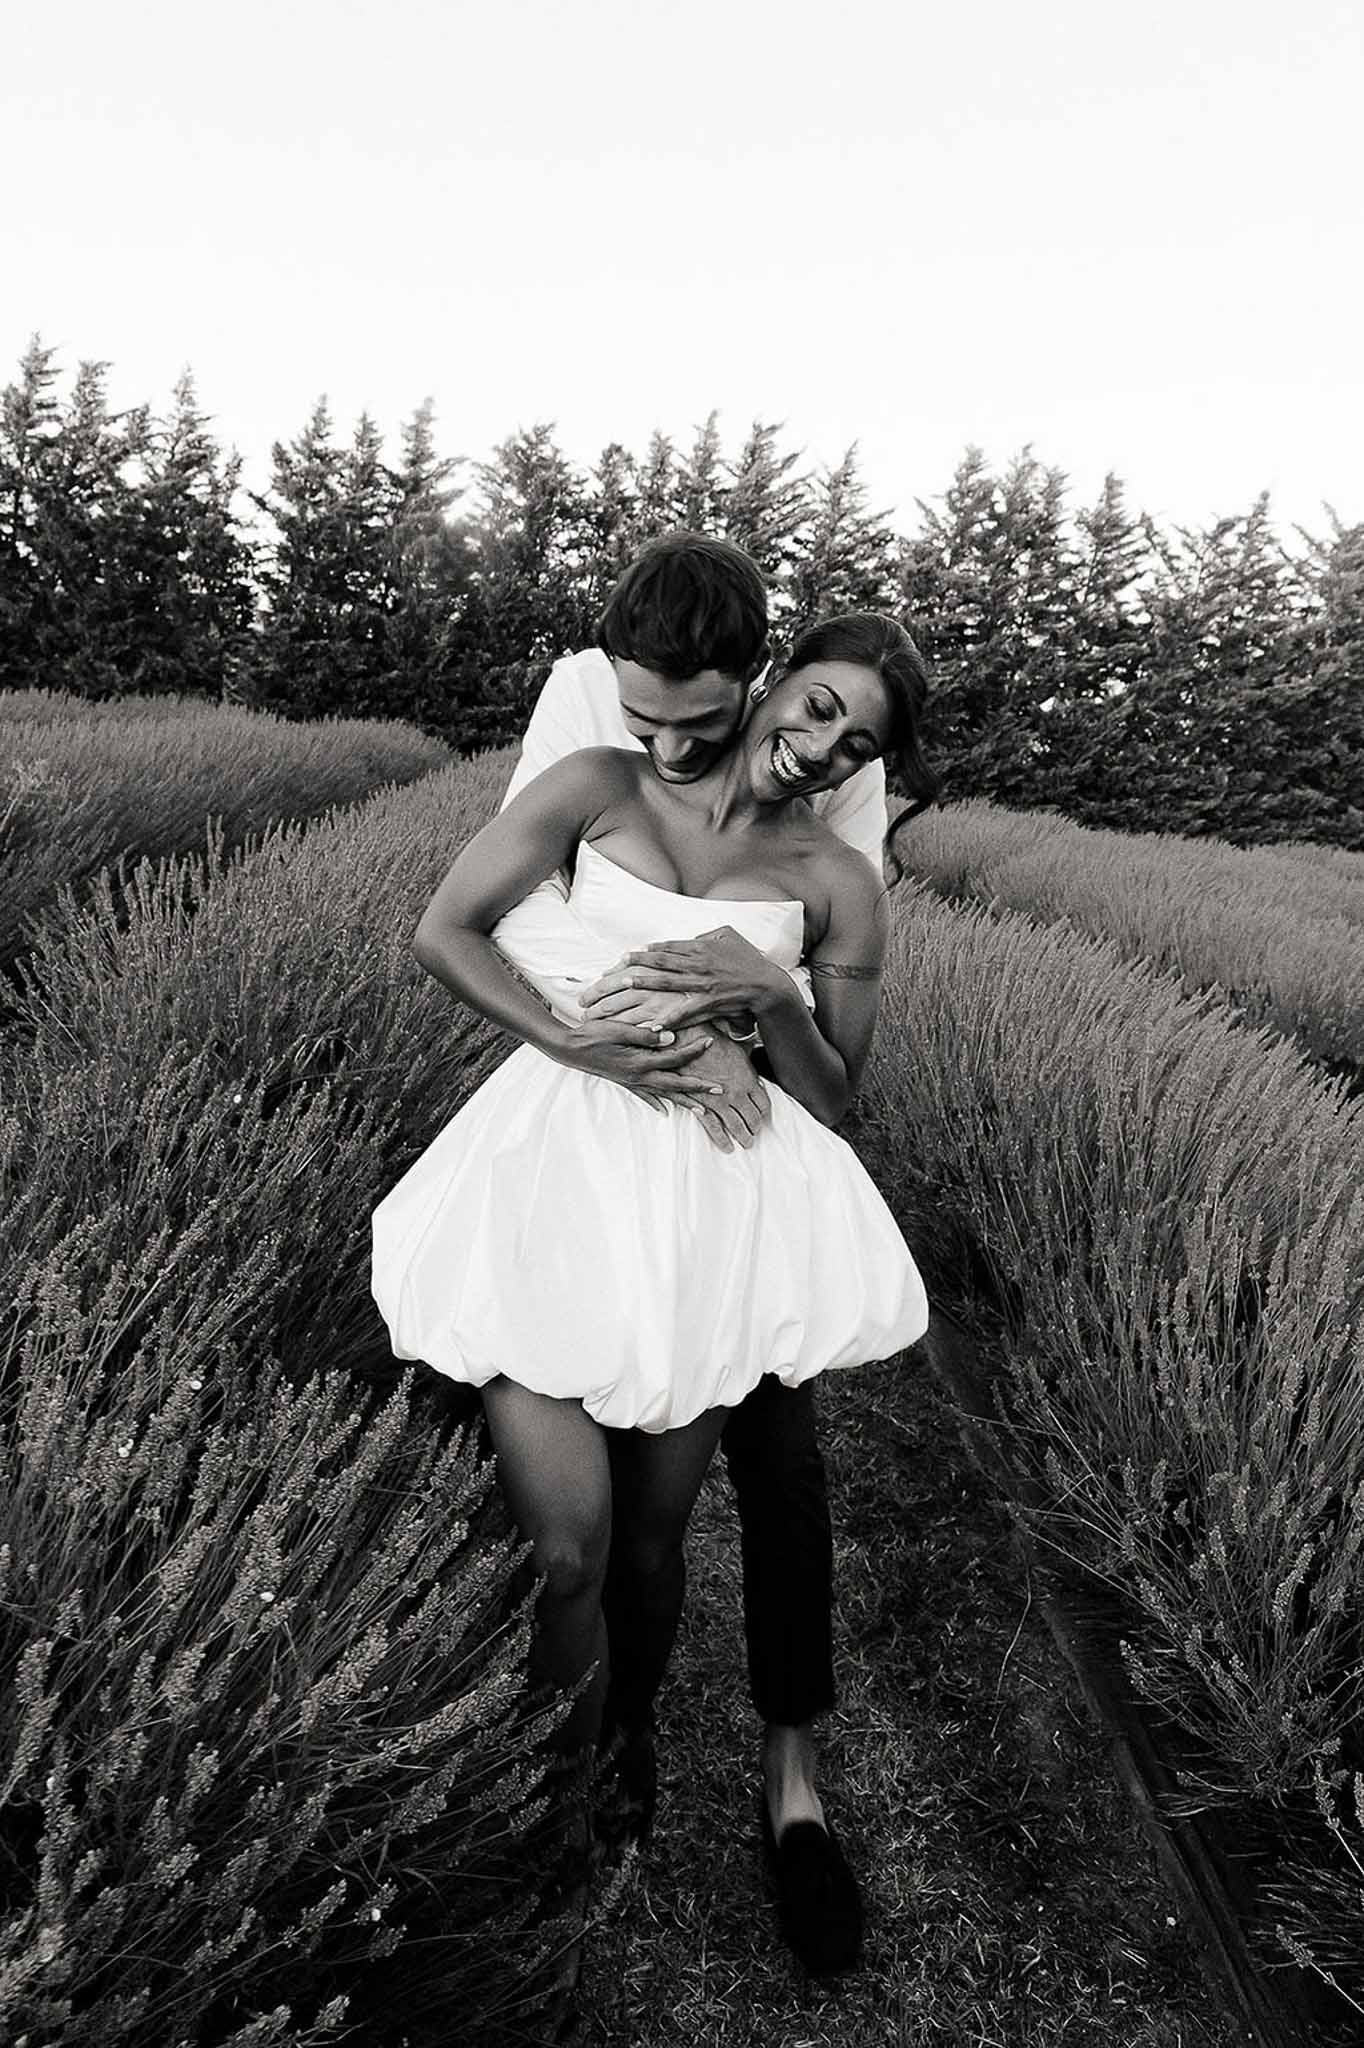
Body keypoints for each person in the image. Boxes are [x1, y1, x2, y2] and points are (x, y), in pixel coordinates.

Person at [369, 563, 936, 1990]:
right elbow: (448, 929)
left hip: (710, 1218)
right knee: (565, 1548)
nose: (823, 746)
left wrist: (758, 999)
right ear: (774, 676)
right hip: (558, 1178)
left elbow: (837, 1101)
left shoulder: (837, 880)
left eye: (857, 742)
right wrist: (582, 1045)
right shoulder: (594, 783)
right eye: (817, 708)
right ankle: (565, 1767)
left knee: (648, 1543)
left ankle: (629, 1736)